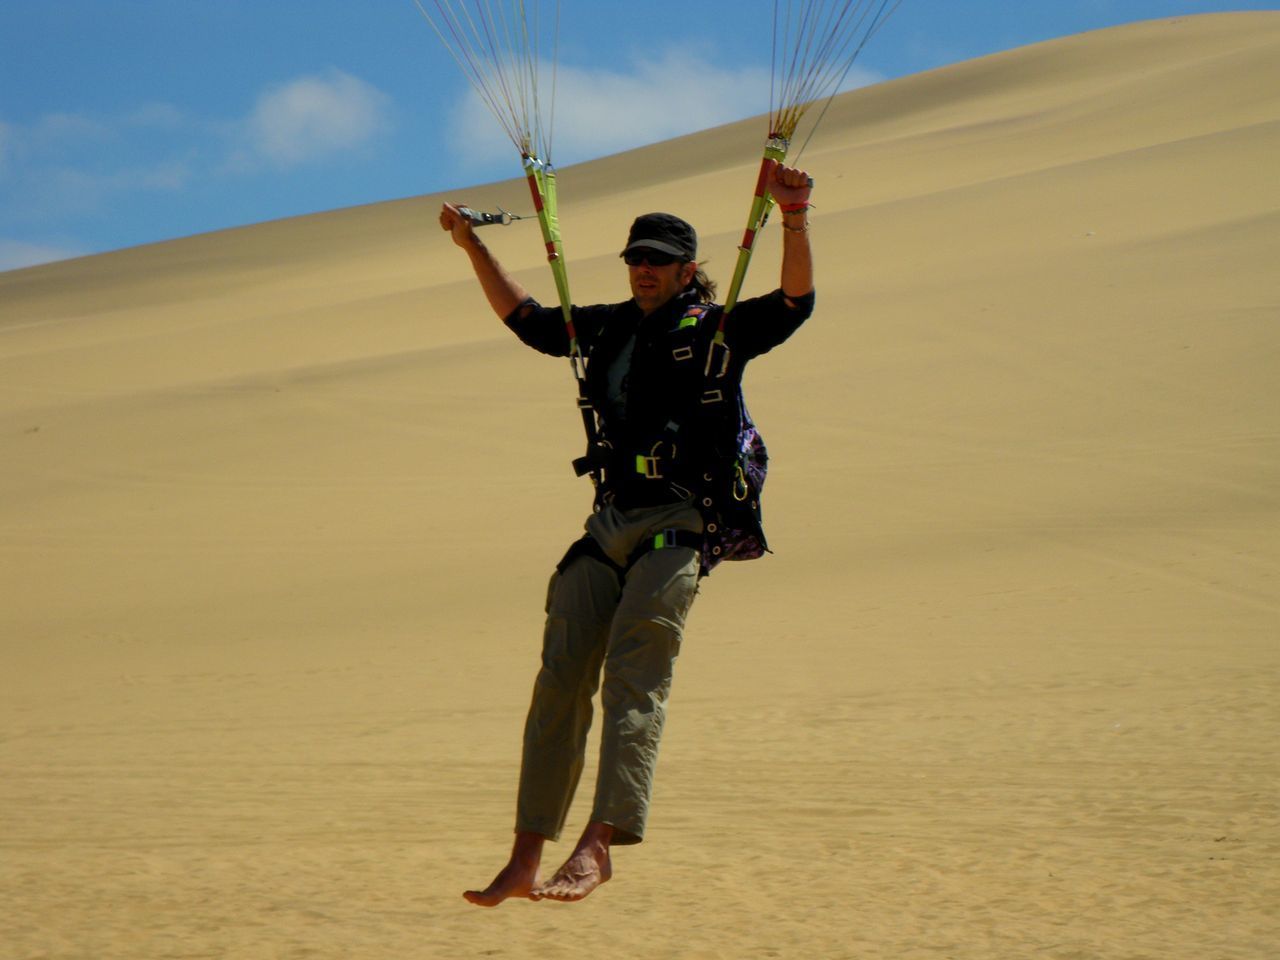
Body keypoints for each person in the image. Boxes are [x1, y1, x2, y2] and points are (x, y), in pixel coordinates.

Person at [439, 161, 815, 906]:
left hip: (679, 521)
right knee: (557, 685)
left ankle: (598, 845)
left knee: (634, 681)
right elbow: (529, 322)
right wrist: (471, 247)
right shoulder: (607, 326)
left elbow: (797, 302)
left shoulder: (716, 328)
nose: (643, 270)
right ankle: (523, 856)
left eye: (658, 262)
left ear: (688, 271)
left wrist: (794, 215)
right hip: (607, 523)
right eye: (635, 259)